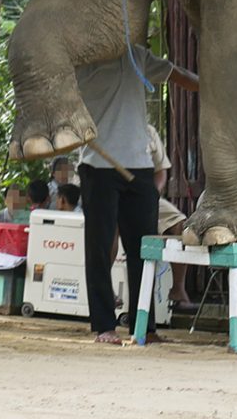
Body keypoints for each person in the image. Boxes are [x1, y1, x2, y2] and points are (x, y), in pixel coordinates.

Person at [76, 44, 199, 345]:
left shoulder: (137, 55)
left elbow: (177, 74)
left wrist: (216, 84)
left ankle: (144, 326)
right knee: (100, 247)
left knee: (144, 250)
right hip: (98, 165)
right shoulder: (82, 59)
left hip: (141, 168)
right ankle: (104, 325)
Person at [148, 123, 196, 312]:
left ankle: (177, 288)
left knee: (180, 223)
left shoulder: (149, 131)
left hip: (144, 194)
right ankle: (108, 290)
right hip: (113, 194)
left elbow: (161, 172)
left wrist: (153, 192)